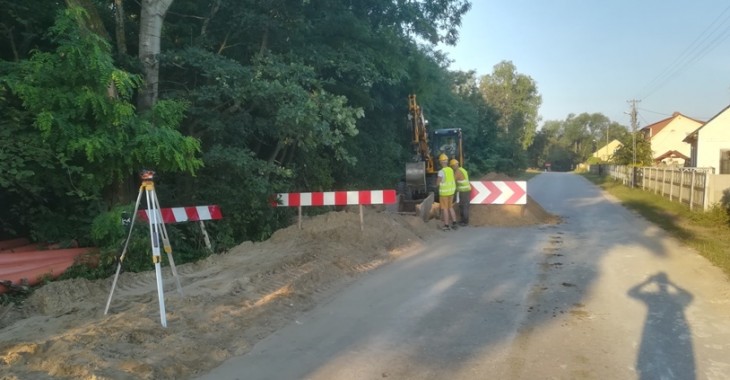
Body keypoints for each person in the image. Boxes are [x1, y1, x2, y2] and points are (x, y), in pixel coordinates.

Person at [437, 154, 458, 230]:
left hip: (444, 193)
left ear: (441, 162)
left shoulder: (441, 172)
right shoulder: (451, 170)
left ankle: (446, 225)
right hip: (451, 192)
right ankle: (454, 223)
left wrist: (436, 184)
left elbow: (438, 182)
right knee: (450, 207)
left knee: (445, 209)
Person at [450, 159, 471, 226]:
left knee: (464, 206)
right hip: (465, 190)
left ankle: (465, 221)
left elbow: (453, 180)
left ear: (454, 165)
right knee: (463, 205)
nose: (452, 167)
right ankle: (463, 220)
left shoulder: (458, 172)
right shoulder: (462, 169)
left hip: (464, 191)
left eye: (452, 166)